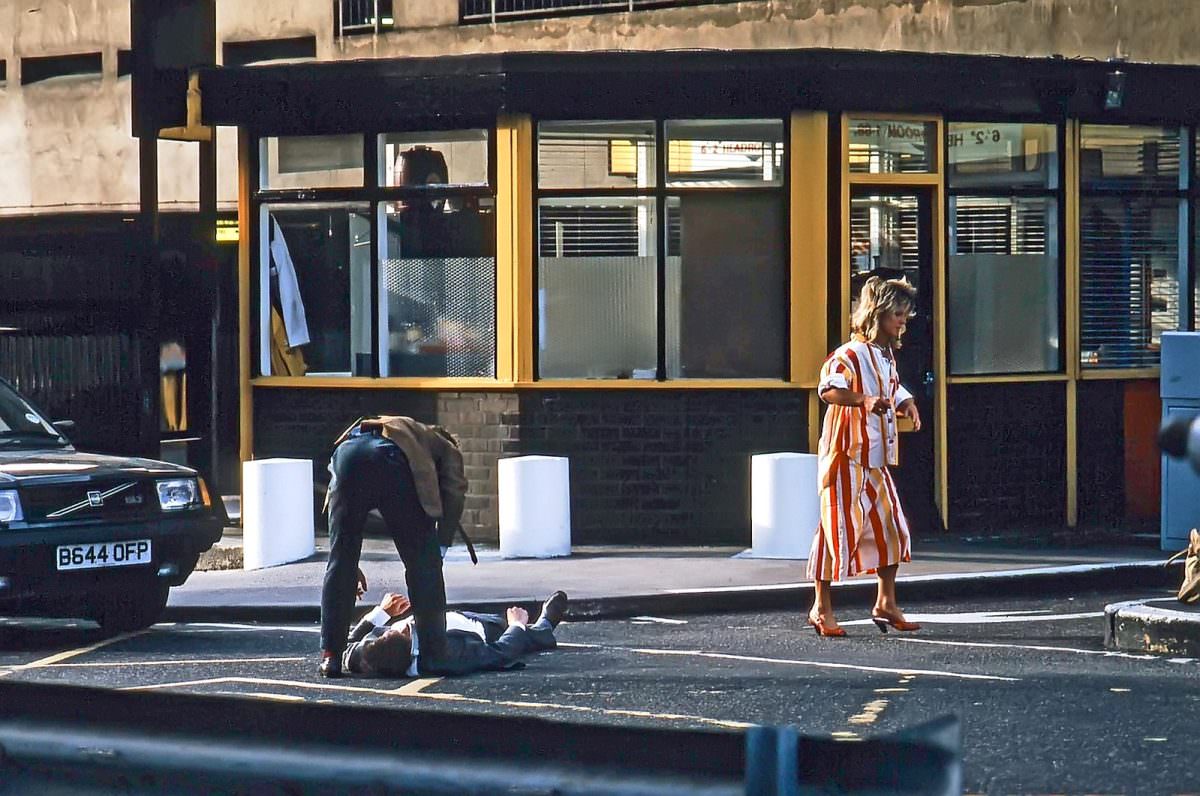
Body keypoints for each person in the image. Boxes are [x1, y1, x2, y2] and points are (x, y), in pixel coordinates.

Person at [806, 277, 922, 638]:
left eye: (905, 315)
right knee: (837, 528)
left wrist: (906, 402)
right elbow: (829, 388)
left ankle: (886, 601)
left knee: (892, 529)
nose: (903, 321)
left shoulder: (885, 356)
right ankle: (821, 607)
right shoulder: (849, 353)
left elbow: (889, 386)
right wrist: (863, 401)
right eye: (897, 315)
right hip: (845, 454)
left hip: (874, 457)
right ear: (879, 314)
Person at [319, 416, 475, 678]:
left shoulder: (388, 426)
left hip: (346, 456)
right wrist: (440, 547)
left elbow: (337, 489)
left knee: (339, 563)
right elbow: (455, 490)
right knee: (422, 565)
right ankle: (434, 653)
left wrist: (347, 561)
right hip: (391, 462)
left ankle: (331, 656)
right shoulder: (442, 445)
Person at [342, 590, 569, 678]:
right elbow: (499, 653)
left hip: (452, 616)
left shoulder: (368, 652)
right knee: (531, 637)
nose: (401, 624)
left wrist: (382, 612)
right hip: (481, 631)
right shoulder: (450, 655)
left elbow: (349, 642)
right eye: (406, 629)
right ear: (412, 647)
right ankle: (545, 624)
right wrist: (516, 625)